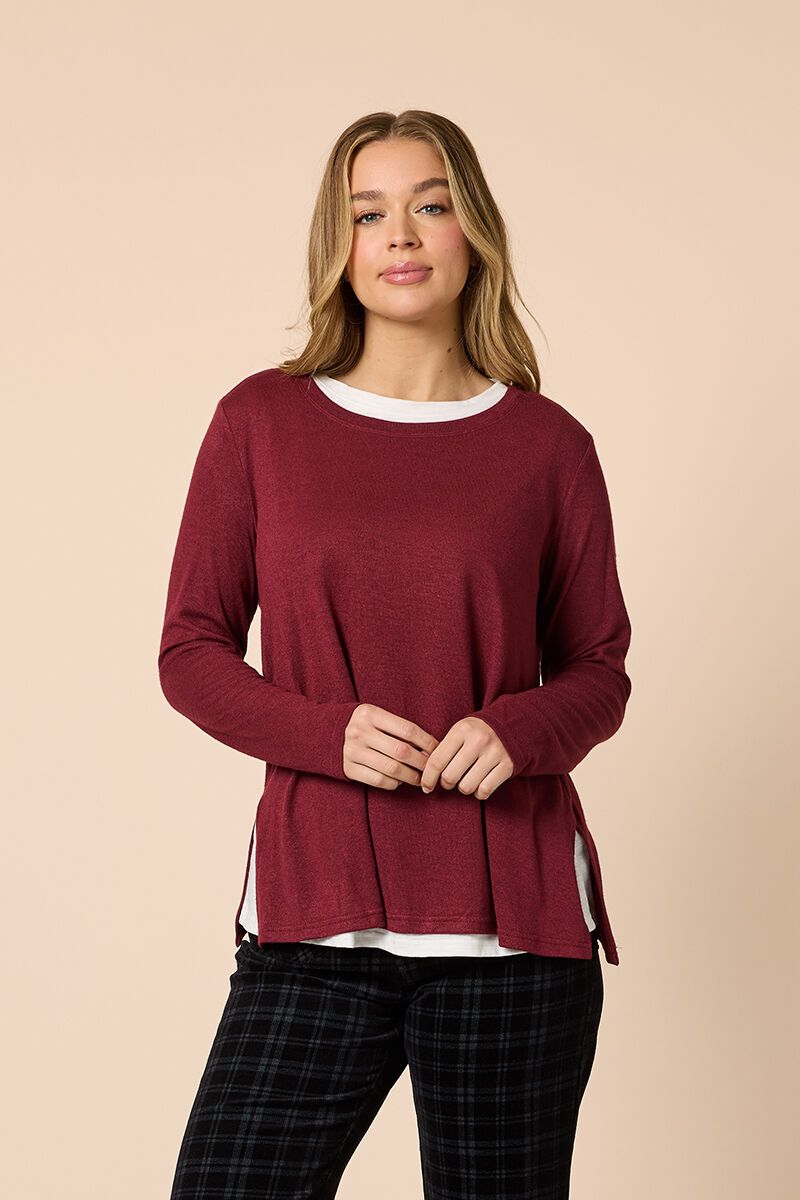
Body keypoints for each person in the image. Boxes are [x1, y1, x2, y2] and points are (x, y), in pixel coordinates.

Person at [159, 109, 632, 1199]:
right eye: (368, 213)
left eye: (430, 205)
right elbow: (190, 649)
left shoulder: (548, 446)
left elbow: (598, 668)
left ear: (474, 232)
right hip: (316, 913)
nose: (401, 235)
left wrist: (516, 730)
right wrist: (323, 734)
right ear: (339, 243)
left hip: (513, 936)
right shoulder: (261, 423)